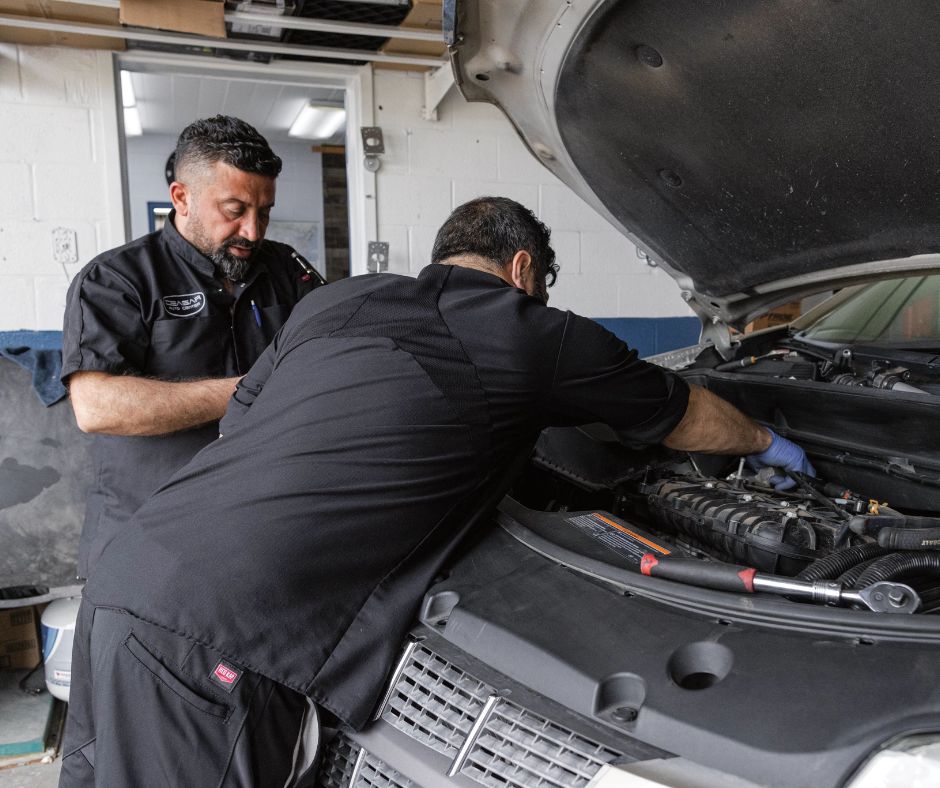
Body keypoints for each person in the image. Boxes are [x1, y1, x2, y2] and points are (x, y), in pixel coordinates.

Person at [59, 197, 813, 787]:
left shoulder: (334, 303)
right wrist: (769, 443)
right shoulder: (535, 330)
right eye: (543, 285)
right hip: (217, 638)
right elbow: (684, 415)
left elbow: (245, 430)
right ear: (525, 270)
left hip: (128, 578)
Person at [61, 115, 321, 578]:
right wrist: (250, 389)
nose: (254, 231)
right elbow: (95, 406)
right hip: (149, 540)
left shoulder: (285, 268)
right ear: (181, 198)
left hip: (259, 528)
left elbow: (332, 351)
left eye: (264, 211)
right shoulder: (117, 279)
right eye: (235, 209)